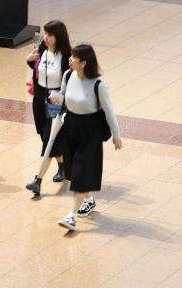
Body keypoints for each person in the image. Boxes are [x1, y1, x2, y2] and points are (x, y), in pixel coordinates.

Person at [49, 44, 123, 231]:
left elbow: (109, 112)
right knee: (74, 171)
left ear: (84, 62)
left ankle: (71, 216)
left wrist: (116, 135)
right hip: (71, 126)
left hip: (91, 132)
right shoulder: (68, 75)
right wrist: (57, 97)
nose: (70, 59)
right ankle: (88, 200)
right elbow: (66, 97)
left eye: (74, 57)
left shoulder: (98, 85)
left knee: (82, 171)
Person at [24, 20, 72, 196]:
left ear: (58, 36)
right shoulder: (41, 50)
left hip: (56, 102)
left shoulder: (67, 57)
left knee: (49, 139)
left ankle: (38, 180)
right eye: (45, 34)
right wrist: (29, 61)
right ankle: (63, 166)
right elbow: (38, 72)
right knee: (44, 135)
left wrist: (62, 99)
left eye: (50, 35)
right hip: (39, 99)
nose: (46, 38)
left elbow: (71, 82)